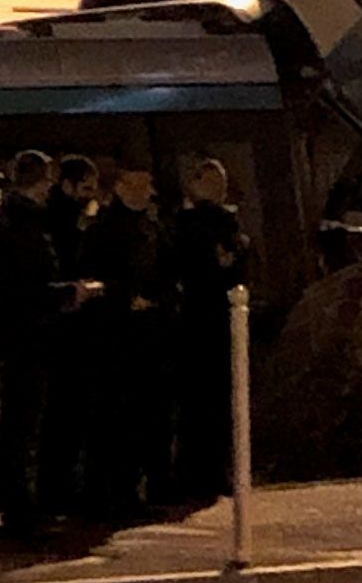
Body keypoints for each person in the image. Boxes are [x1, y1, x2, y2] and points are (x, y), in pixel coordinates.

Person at [0, 150, 90, 534]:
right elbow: (27, 288)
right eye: (47, 182)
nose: (49, 189)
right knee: (22, 425)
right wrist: (69, 293)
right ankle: (20, 510)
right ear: (38, 181)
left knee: (23, 424)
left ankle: (22, 506)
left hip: (22, 332)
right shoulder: (23, 226)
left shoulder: (14, 221)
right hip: (26, 335)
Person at [80, 149, 177, 516]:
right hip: (120, 341)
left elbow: (168, 272)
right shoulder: (102, 232)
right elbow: (95, 283)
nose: (147, 191)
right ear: (121, 186)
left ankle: (156, 482)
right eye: (139, 183)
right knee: (124, 417)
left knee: (155, 414)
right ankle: (122, 490)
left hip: (152, 335)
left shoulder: (152, 228)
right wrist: (126, 299)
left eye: (147, 184)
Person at [171, 157, 247, 503]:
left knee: (215, 400)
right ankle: (200, 471)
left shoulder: (221, 224)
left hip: (214, 321)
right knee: (201, 400)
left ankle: (211, 469)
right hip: (200, 321)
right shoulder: (189, 226)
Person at [38, 154, 99, 517]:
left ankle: (59, 490)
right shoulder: (61, 225)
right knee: (63, 417)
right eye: (86, 188)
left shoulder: (57, 221)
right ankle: (58, 491)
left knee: (65, 417)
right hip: (64, 333)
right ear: (68, 186)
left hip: (65, 332)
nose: (91, 196)